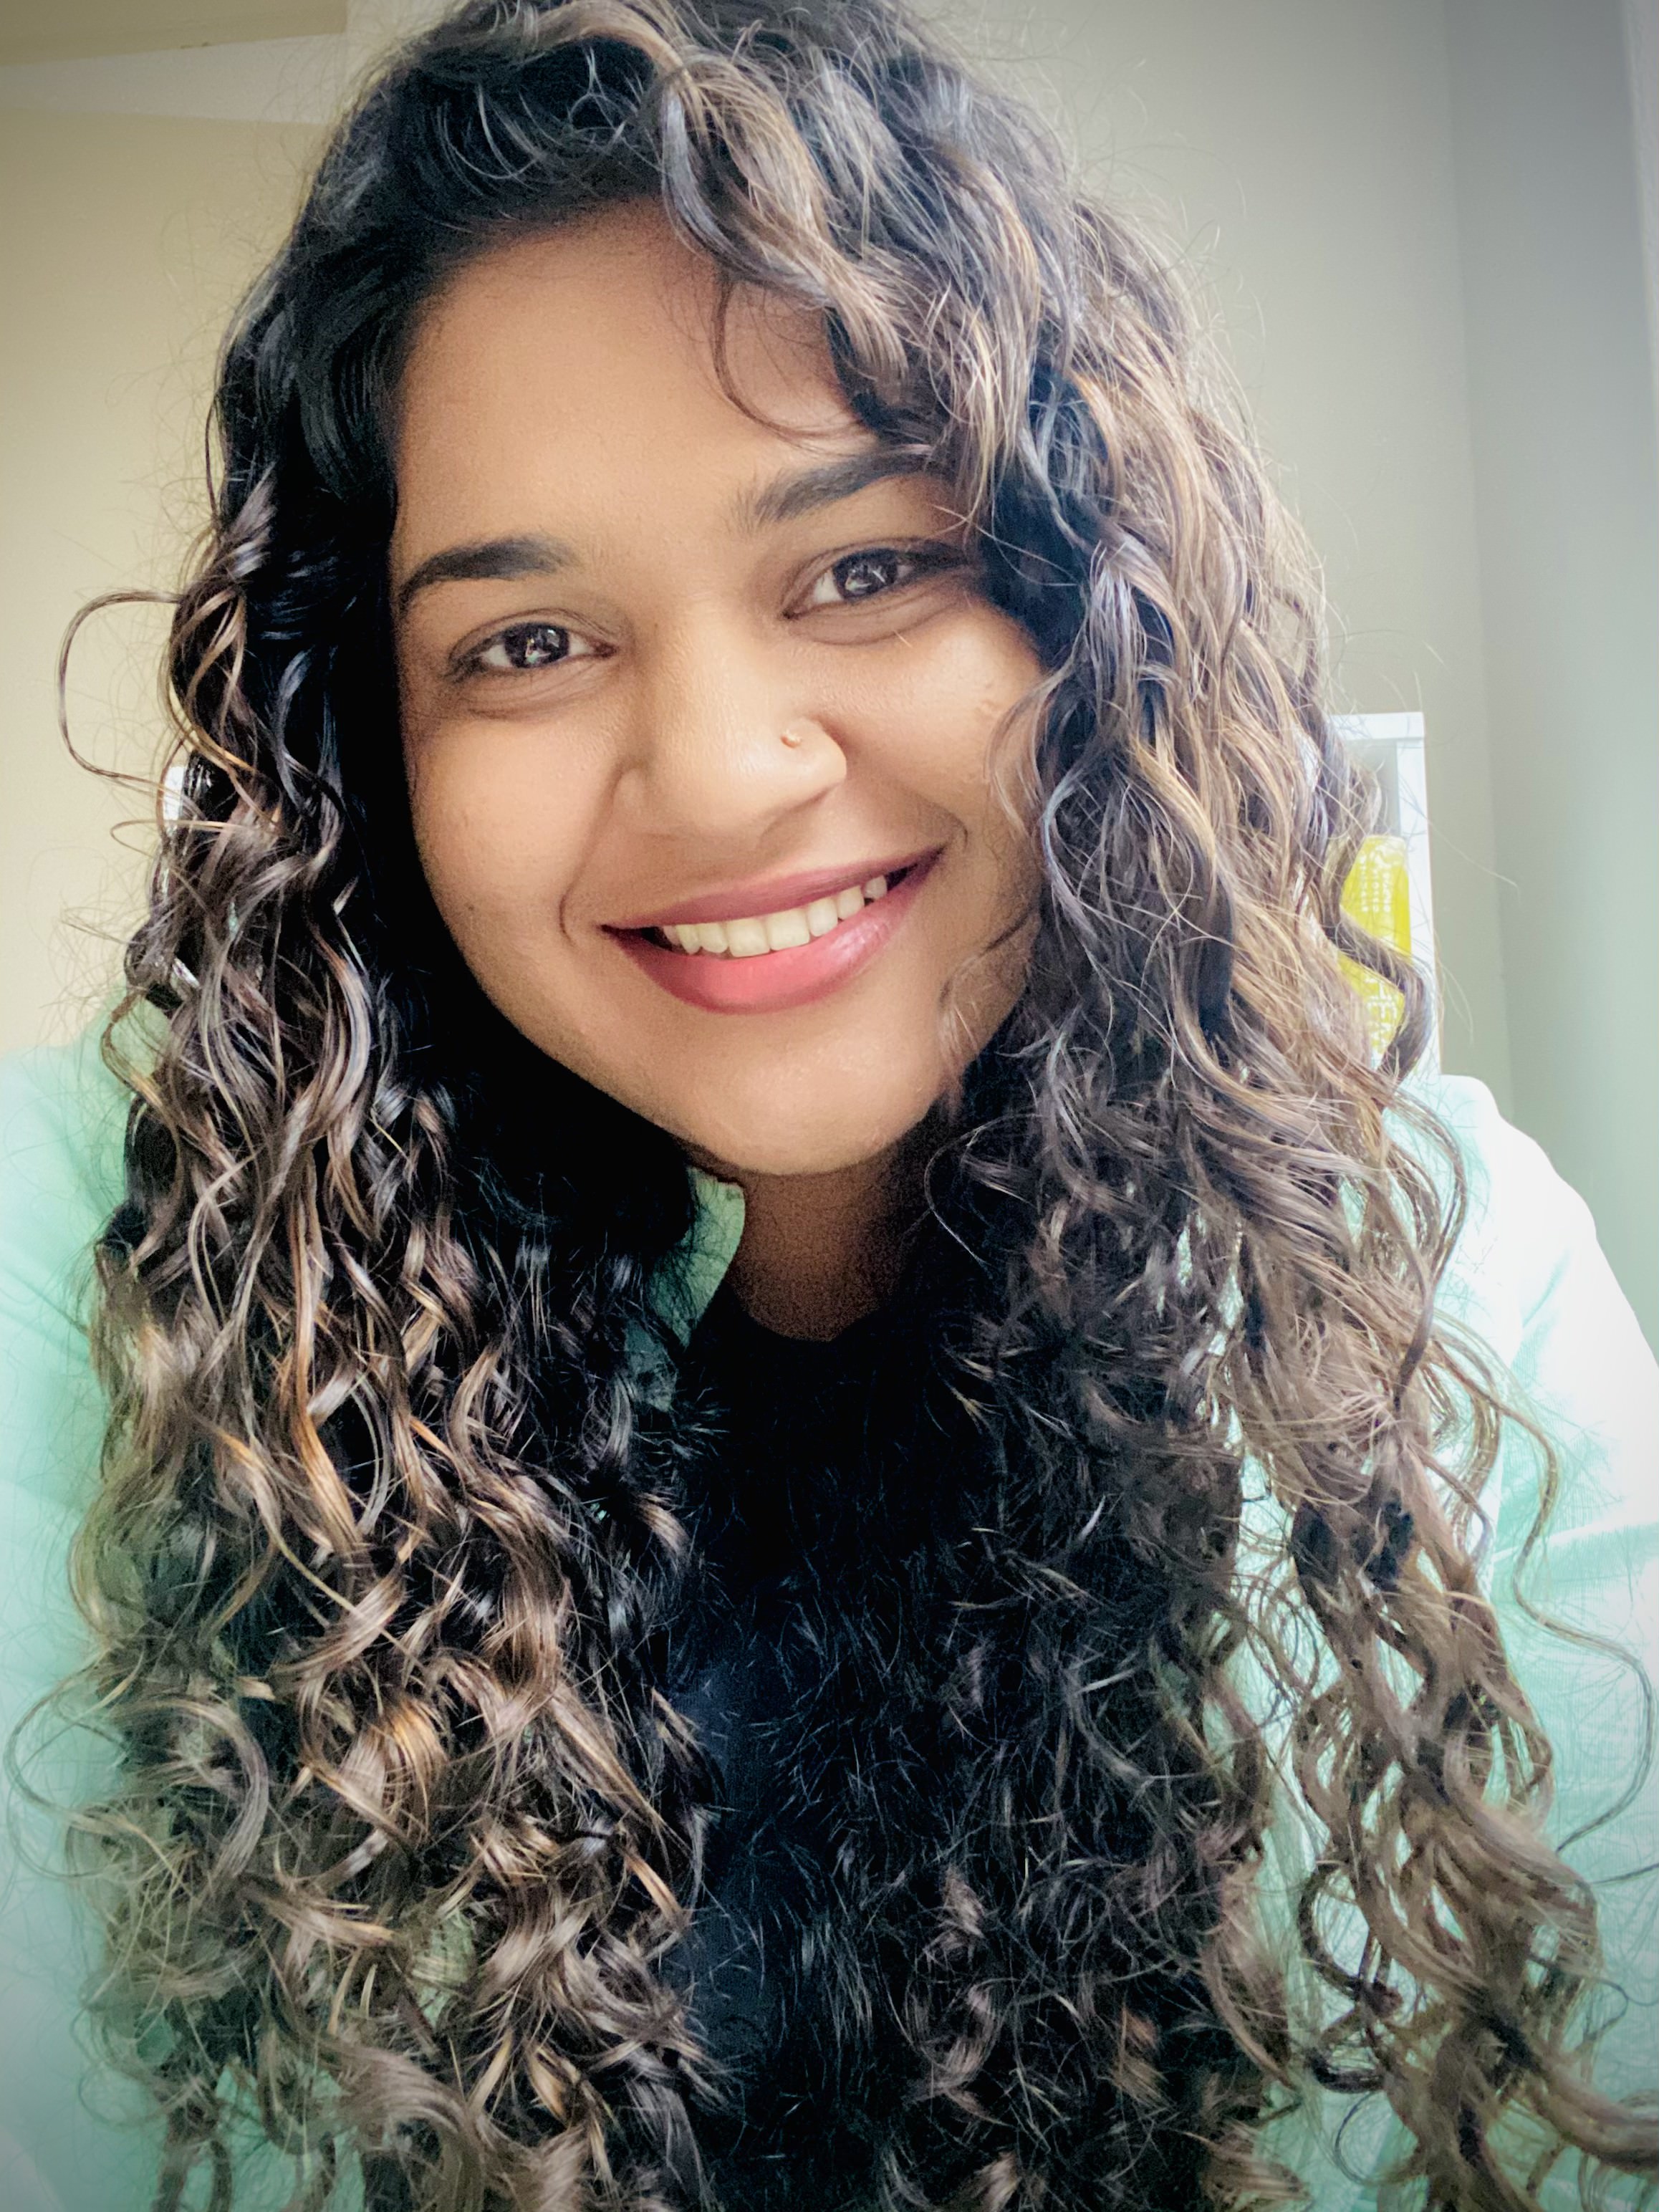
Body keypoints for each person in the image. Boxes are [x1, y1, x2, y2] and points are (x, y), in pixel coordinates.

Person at [0, 1, 1654, 2207]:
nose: (715, 773)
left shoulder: (1445, 1276)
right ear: (371, 741)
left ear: (1087, 618)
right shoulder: (86, 1260)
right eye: (525, 642)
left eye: (865, 567)